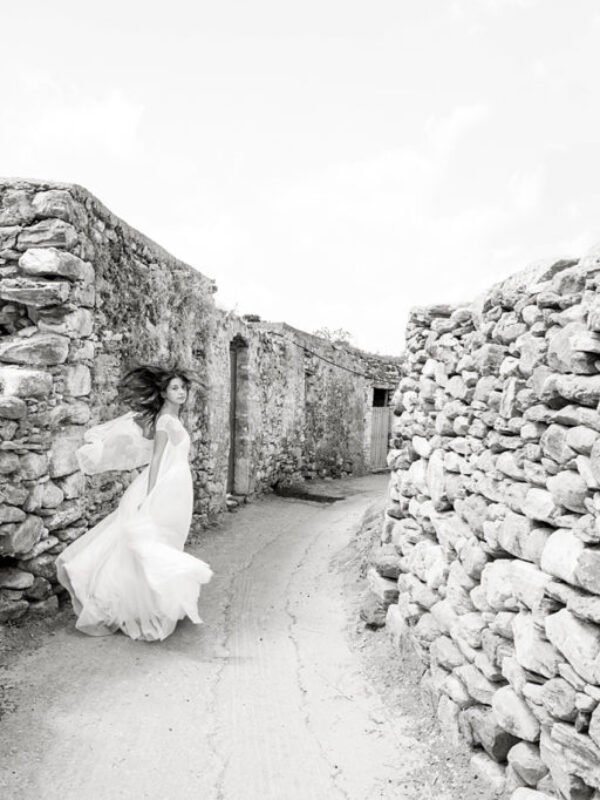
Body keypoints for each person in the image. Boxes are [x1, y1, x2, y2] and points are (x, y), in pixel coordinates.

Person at [56, 365, 213, 642]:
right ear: (163, 392)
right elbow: (157, 460)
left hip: (177, 486)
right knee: (150, 543)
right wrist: (151, 495)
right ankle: (137, 606)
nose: (181, 392)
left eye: (183, 388)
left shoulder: (172, 418)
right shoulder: (165, 420)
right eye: (175, 388)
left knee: (161, 542)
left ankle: (152, 602)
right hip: (164, 485)